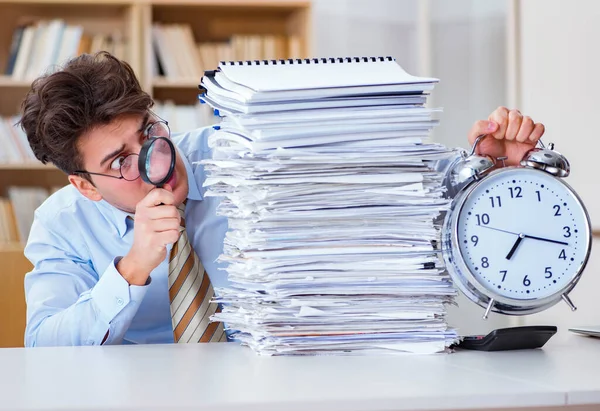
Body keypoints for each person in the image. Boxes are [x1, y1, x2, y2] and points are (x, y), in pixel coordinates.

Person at [20, 52, 545, 346]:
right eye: (120, 162)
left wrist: (489, 168)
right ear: (85, 186)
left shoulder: (243, 152)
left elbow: (386, 184)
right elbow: (45, 346)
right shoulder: (61, 224)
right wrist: (131, 269)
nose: (157, 161)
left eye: (150, 131)